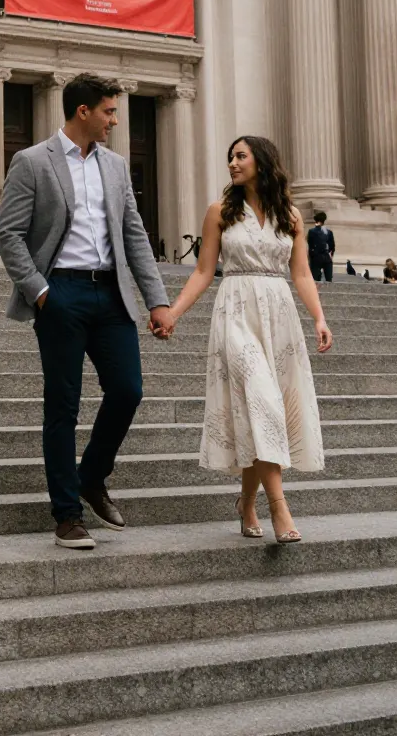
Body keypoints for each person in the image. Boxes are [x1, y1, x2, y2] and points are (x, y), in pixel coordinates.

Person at [0, 72, 169, 550]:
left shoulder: (116, 166)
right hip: (61, 293)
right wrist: (41, 291)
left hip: (111, 295)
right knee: (63, 406)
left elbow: (133, 233)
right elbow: (7, 234)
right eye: (109, 111)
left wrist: (156, 299)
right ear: (83, 111)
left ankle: (91, 476)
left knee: (128, 390)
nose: (115, 120)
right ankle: (67, 515)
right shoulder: (33, 161)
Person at [152, 136, 332, 544]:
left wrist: (319, 318)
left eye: (240, 156)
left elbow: (302, 273)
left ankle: (246, 502)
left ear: (262, 162)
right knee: (262, 400)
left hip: (279, 315)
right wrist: (173, 313)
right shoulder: (219, 211)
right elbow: (203, 272)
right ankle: (279, 507)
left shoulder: (290, 215)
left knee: (260, 411)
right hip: (235, 312)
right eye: (230, 157)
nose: (232, 163)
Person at [306, 210, 335, 283]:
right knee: (329, 280)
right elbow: (332, 246)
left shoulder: (311, 231)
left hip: (315, 257)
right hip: (326, 257)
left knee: (315, 280)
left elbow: (310, 244)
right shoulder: (329, 232)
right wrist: (330, 254)